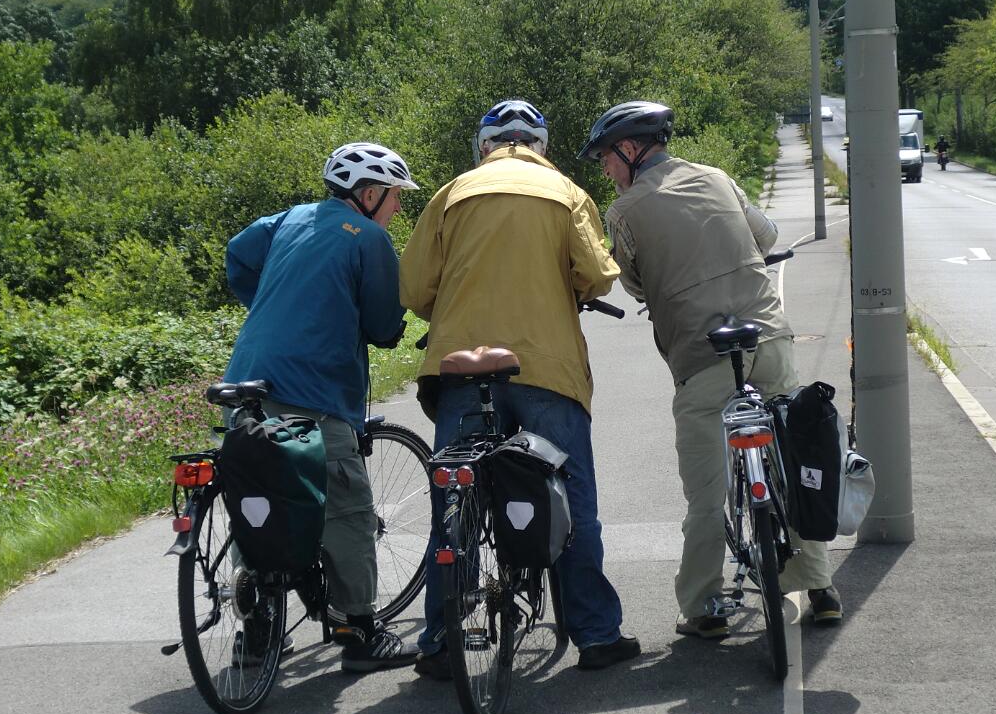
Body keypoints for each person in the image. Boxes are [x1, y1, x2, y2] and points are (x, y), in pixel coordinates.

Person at [580, 100, 842, 638]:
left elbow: (635, 284)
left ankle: (703, 606)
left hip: (702, 357)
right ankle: (820, 586)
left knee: (707, 493)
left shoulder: (624, 212)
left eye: (606, 157)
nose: (605, 169)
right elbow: (766, 237)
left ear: (629, 149)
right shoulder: (718, 177)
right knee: (793, 458)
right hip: (769, 337)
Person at [400, 98, 640, 676]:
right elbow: (598, 275)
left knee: (453, 502)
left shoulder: (451, 194)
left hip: (461, 369)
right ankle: (596, 635)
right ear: (542, 146)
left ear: (483, 146)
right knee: (570, 496)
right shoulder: (567, 193)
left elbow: (414, 289)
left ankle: (440, 640)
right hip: (547, 369)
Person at [222, 141, 420, 673]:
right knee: (347, 508)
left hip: (244, 378)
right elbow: (383, 326)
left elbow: (238, 253)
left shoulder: (289, 218)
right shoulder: (370, 238)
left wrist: (277, 303)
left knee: (258, 500)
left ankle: (258, 629)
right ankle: (359, 630)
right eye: (395, 195)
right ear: (370, 194)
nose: (398, 206)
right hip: (310, 391)